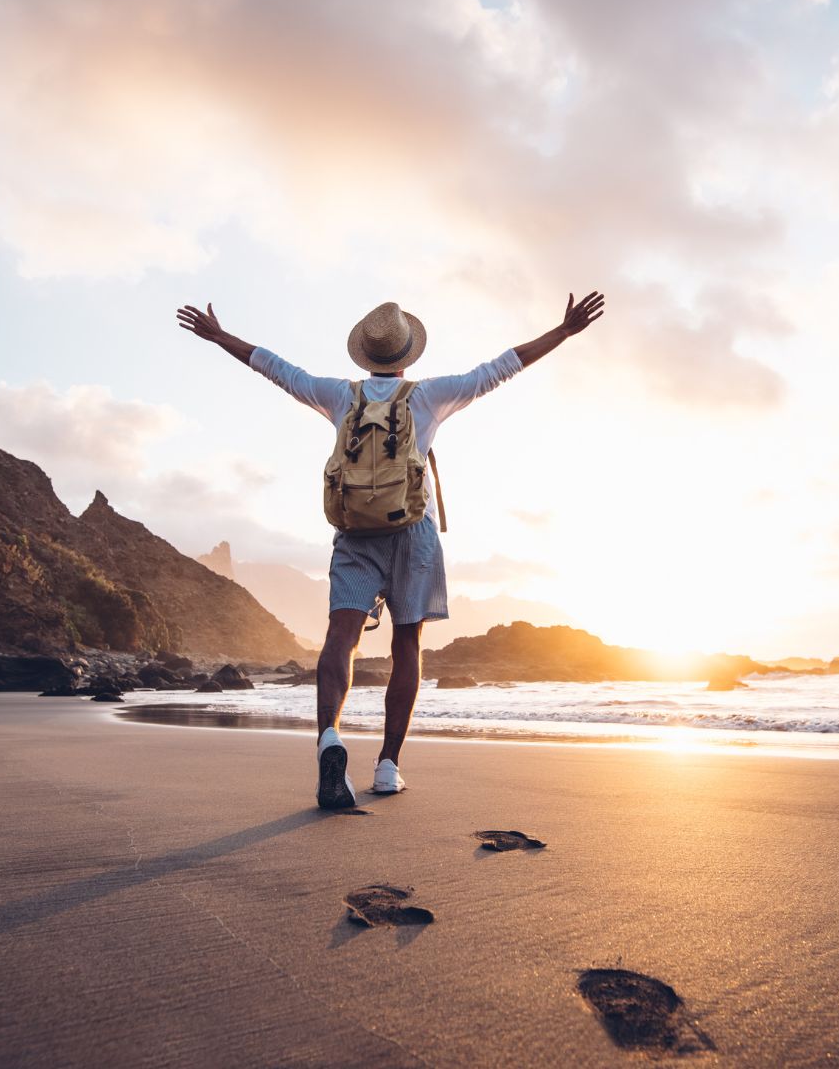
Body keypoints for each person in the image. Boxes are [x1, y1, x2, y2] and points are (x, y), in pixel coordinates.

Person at [177, 291, 605, 808]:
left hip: (356, 533)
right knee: (407, 644)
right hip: (412, 533)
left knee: (342, 636)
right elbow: (500, 368)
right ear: (406, 356)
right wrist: (562, 332)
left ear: (365, 354)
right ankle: (386, 767)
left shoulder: (339, 396)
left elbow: (276, 368)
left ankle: (330, 739)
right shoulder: (429, 397)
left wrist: (220, 336)